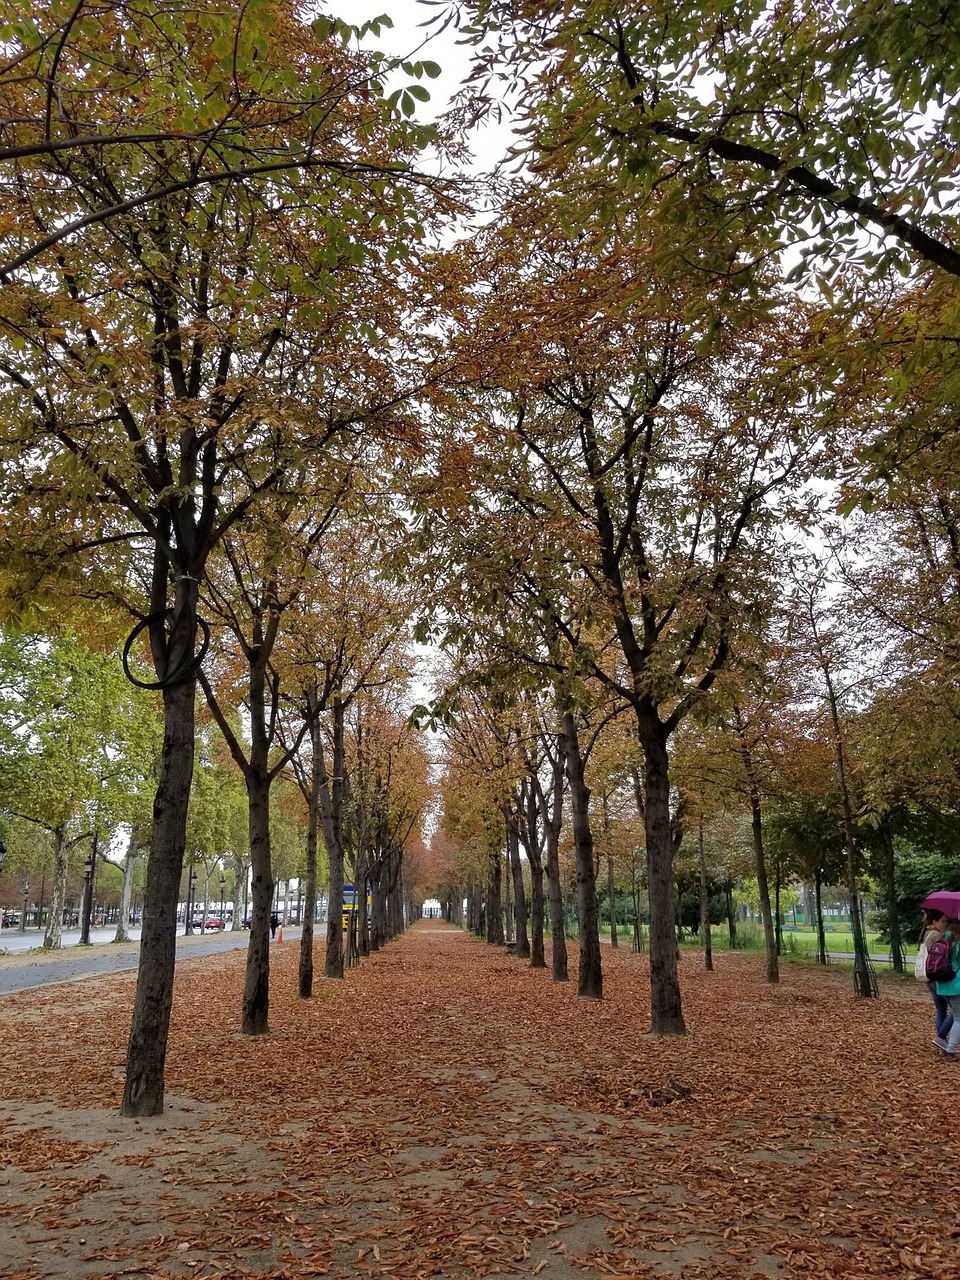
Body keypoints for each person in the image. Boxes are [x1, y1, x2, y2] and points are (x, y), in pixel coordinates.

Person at [920, 909, 954, 1048]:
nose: (945, 924)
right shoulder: (938, 936)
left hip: (929, 976)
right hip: (937, 977)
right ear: (934, 922)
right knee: (956, 1010)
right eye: (943, 921)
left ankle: (941, 1039)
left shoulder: (926, 934)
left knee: (941, 1009)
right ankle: (941, 1036)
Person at [933, 916, 960, 1056]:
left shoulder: (944, 938)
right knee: (958, 1018)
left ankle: (941, 1039)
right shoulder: (957, 942)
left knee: (954, 1014)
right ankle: (949, 1048)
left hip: (942, 985)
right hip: (956, 985)